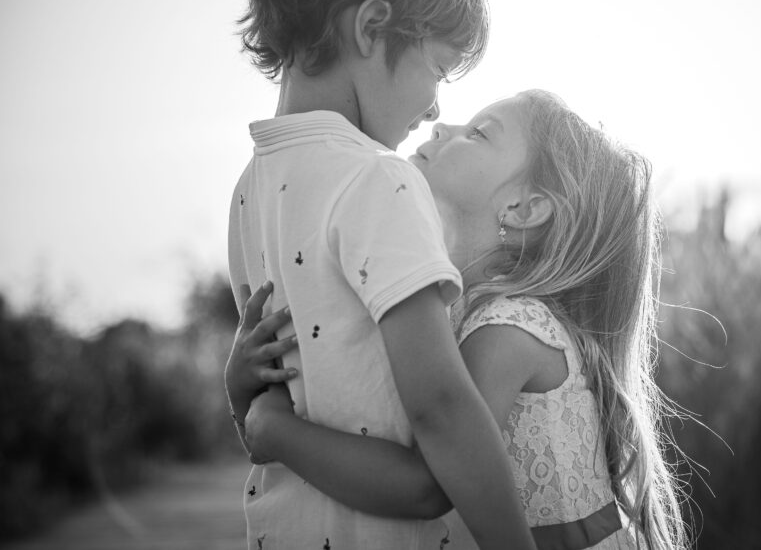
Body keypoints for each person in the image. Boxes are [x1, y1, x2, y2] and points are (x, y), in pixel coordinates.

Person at [223, 0, 535, 549]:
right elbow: (442, 409)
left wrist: (239, 393)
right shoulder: (377, 180)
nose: (434, 107)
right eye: (438, 70)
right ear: (371, 28)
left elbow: (267, 415)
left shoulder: (249, 189)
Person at [231, 90, 692, 549]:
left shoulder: (508, 329)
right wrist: (242, 390)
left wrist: (274, 430)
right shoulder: (448, 311)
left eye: (477, 133)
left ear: (524, 208)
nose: (440, 126)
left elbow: (424, 482)